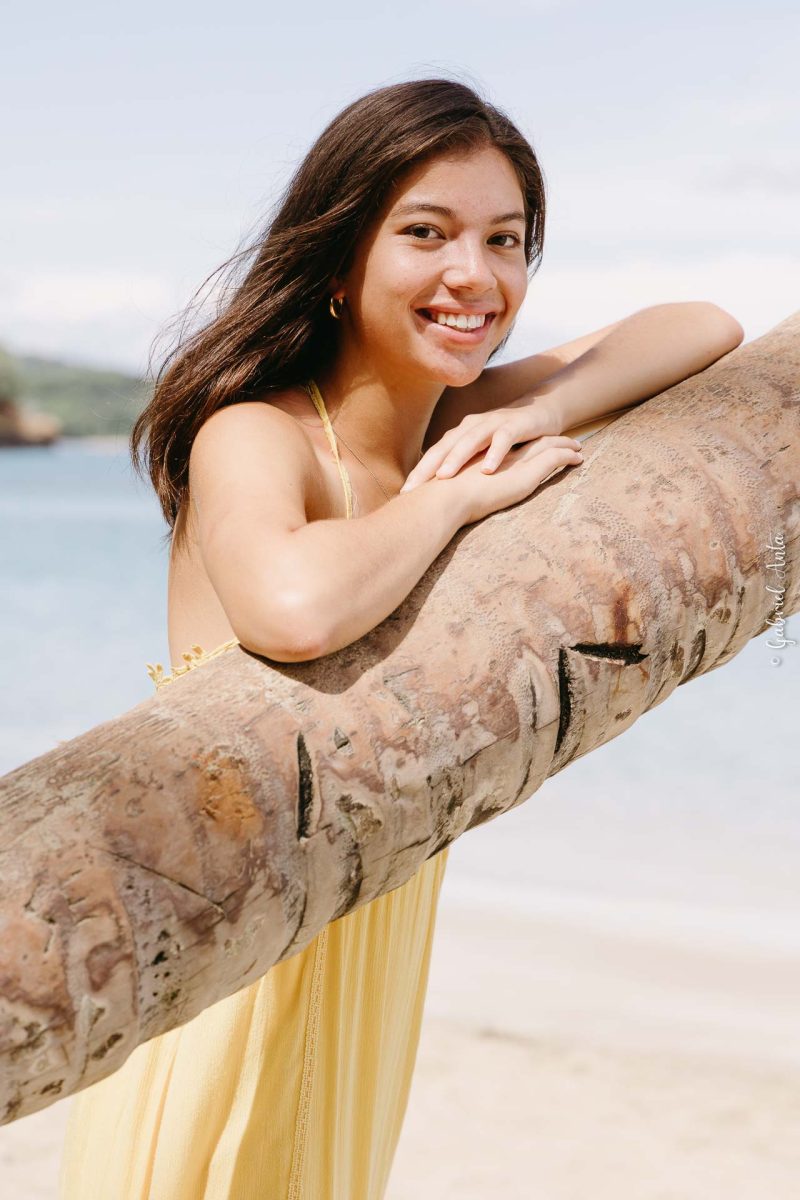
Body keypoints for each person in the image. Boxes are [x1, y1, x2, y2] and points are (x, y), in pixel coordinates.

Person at [58, 77, 743, 1200]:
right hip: (233, 937)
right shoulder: (258, 432)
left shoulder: (464, 420)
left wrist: (539, 409)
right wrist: (452, 500)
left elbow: (702, 325)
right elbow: (293, 610)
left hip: (372, 928)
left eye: (505, 240)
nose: (474, 274)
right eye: (425, 233)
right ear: (338, 261)